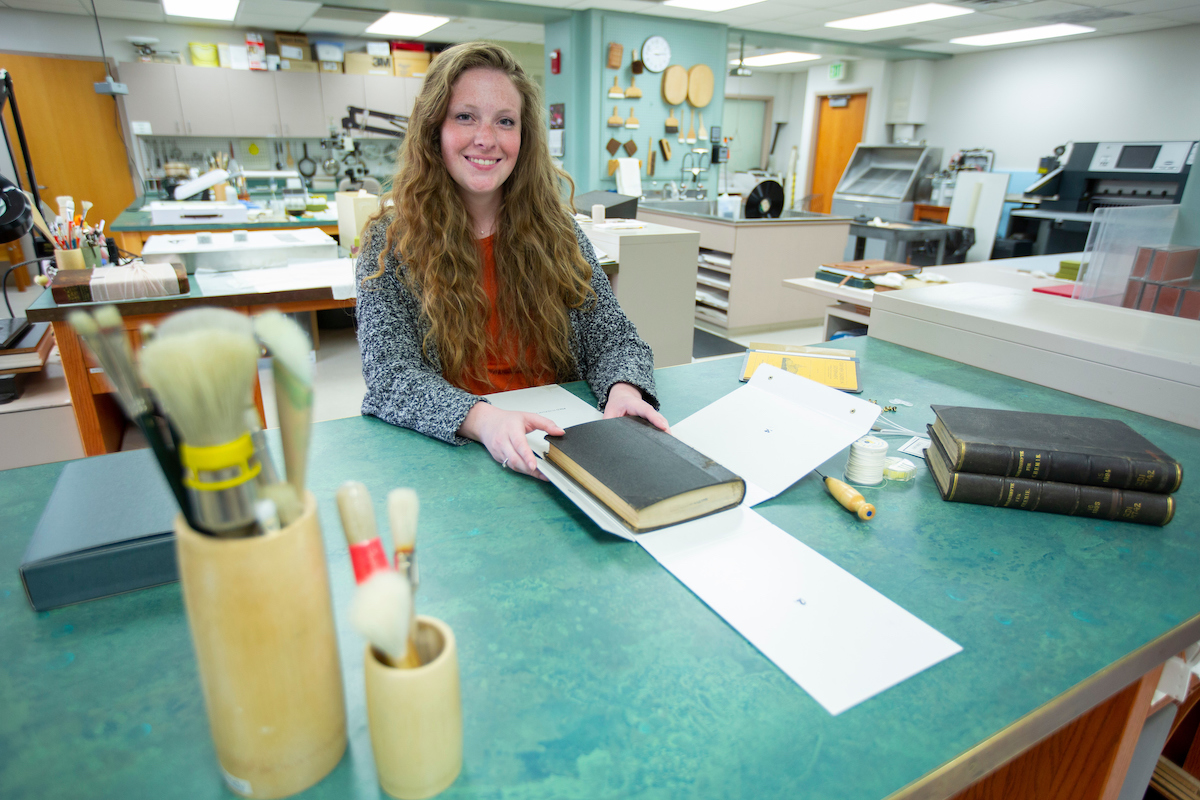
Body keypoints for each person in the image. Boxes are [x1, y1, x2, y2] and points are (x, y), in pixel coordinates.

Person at [355, 42, 667, 480]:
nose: (486, 139)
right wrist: (484, 419)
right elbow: (391, 376)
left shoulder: (559, 234)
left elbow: (614, 339)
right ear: (434, 130)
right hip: (455, 453)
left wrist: (624, 389)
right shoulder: (388, 245)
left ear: (525, 137)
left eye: (505, 121)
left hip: (560, 444)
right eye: (465, 117)